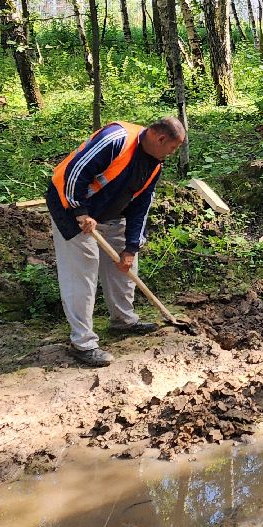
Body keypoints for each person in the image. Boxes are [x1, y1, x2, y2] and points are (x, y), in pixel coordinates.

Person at [46, 117, 187, 366]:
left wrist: (132, 247)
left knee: (125, 265)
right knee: (83, 273)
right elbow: (73, 172)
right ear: (161, 139)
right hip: (70, 208)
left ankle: (123, 321)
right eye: (173, 148)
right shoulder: (116, 139)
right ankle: (83, 343)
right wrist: (80, 211)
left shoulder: (154, 165)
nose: (172, 154)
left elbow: (141, 207)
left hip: (110, 213)